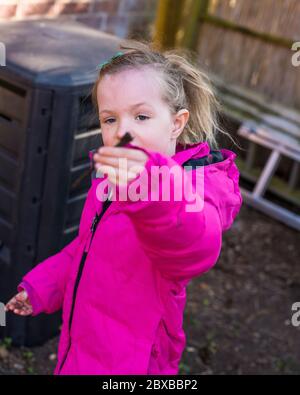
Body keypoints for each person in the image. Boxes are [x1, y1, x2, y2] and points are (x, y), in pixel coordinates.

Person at [5, 40, 243, 375]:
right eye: (110, 119)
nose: (123, 133)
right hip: (82, 344)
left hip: (136, 361)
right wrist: (42, 288)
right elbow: (87, 249)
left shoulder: (195, 187)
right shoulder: (111, 181)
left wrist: (151, 189)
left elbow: (194, 246)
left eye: (141, 116)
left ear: (176, 123)